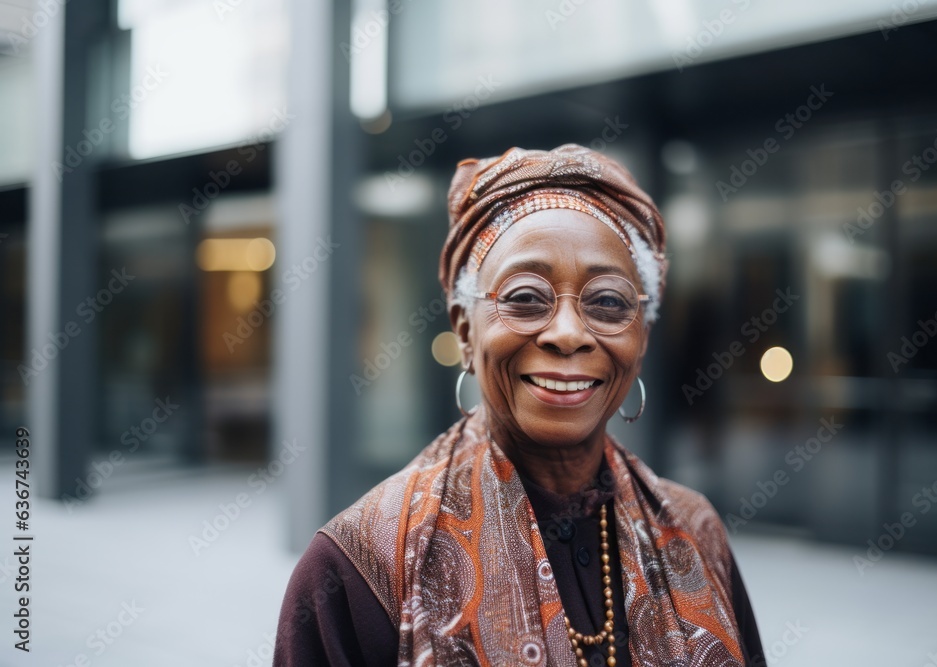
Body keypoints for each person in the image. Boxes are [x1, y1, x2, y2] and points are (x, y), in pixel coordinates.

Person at [274, 144, 766, 666]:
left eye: (607, 302)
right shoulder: (356, 567)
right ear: (465, 330)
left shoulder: (696, 531)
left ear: (640, 337)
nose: (569, 333)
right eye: (526, 297)